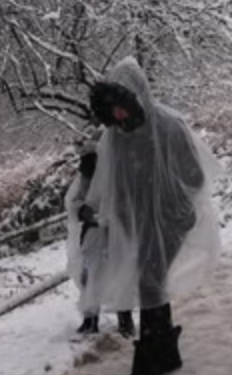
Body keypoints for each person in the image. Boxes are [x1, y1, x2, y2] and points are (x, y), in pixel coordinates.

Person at [86, 58, 221, 375]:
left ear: (137, 97)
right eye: (113, 110)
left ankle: (151, 356)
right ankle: (163, 352)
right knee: (151, 280)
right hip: (136, 222)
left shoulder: (168, 125)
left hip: (171, 220)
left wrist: (168, 211)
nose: (118, 115)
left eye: (122, 106)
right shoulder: (116, 135)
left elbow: (195, 176)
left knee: (149, 280)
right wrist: (110, 214)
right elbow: (112, 182)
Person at [66, 140, 135, 338]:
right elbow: (75, 203)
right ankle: (90, 319)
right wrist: (85, 212)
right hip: (93, 235)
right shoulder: (84, 178)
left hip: (116, 233)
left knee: (121, 273)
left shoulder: (115, 176)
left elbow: (125, 200)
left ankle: (125, 319)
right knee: (90, 277)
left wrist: (112, 216)